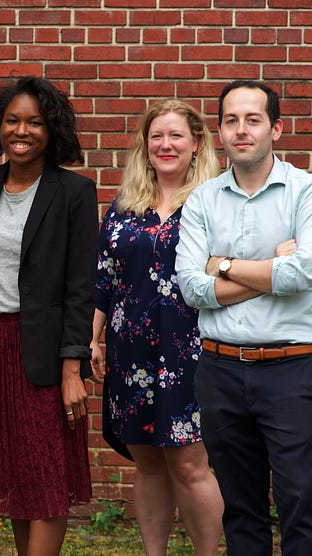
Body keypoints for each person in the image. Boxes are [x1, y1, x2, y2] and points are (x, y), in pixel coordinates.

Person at [0, 76, 97, 556]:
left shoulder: (73, 192)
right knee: (16, 476)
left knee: (47, 477)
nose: (21, 130)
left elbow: (79, 288)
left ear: (52, 130)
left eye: (34, 121)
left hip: (46, 356)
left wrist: (74, 368)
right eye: (12, 120)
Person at [175, 80, 312, 555]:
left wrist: (221, 264)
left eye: (253, 119)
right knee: (240, 509)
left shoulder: (310, 191)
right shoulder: (202, 200)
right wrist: (272, 269)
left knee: (299, 503)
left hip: (290, 371)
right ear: (220, 132)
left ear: (276, 129)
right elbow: (191, 288)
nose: (240, 130)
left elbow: (303, 273)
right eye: (230, 120)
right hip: (220, 371)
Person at [90, 99, 223, 556]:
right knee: (146, 464)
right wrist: (93, 338)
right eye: (157, 137)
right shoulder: (124, 206)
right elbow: (104, 278)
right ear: (145, 147)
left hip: (192, 351)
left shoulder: (214, 203)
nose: (166, 145)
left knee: (189, 464)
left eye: (176, 136)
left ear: (196, 144)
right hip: (131, 353)